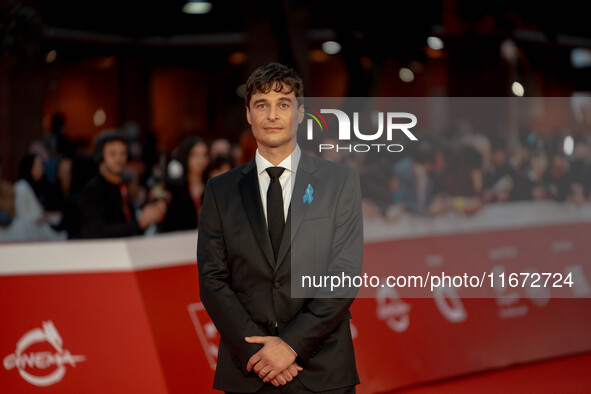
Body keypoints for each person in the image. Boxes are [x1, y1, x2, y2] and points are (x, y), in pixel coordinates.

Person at [197, 63, 363, 393]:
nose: (272, 115)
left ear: (300, 114)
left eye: (283, 104)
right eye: (262, 104)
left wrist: (289, 346)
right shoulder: (220, 190)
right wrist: (259, 353)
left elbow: (344, 273)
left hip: (322, 366)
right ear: (248, 114)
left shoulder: (339, 182)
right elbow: (212, 279)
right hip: (248, 370)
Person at [80, 130, 167, 239]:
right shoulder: (93, 189)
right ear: (100, 155)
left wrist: (147, 217)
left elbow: (128, 227)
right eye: (112, 154)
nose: (119, 159)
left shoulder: (122, 186)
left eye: (123, 153)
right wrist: (139, 223)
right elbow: (96, 231)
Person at [9, 154, 66, 241]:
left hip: (38, 231)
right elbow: (21, 216)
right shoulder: (21, 187)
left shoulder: (38, 187)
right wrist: (40, 218)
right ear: (29, 167)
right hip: (29, 235)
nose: (42, 169)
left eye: (42, 166)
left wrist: (46, 216)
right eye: (38, 166)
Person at [160, 136, 209, 232]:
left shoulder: (211, 185)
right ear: (186, 156)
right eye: (195, 155)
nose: (200, 160)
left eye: (204, 155)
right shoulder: (175, 187)